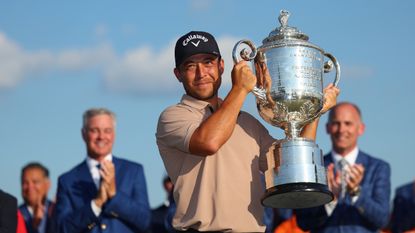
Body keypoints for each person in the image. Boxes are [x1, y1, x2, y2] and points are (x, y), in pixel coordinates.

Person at [156, 31, 339, 232]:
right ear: (178, 74)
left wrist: (316, 110)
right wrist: (240, 88)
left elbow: (292, 164)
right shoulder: (173, 116)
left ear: (221, 66)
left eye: (208, 62)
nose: (201, 73)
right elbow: (209, 142)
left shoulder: (246, 122)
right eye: (190, 66)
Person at [296, 102, 391, 232]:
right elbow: (303, 222)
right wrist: (330, 199)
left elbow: (382, 219)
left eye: (348, 123)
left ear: (361, 128)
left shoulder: (378, 168)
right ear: (327, 128)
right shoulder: (313, 168)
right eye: (336, 123)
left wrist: (356, 193)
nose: (341, 130)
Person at [52, 108, 151, 233]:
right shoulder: (67, 180)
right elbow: (62, 228)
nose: (101, 136)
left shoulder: (133, 171)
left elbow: (145, 221)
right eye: (94, 130)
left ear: (114, 134)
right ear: (83, 134)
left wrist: (114, 196)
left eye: (107, 131)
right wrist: (96, 204)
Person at [19, 162, 53, 233]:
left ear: (47, 184)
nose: (30, 187)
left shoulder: (56, 211)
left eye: (35, 182)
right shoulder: (13, 215)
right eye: (25, 183)